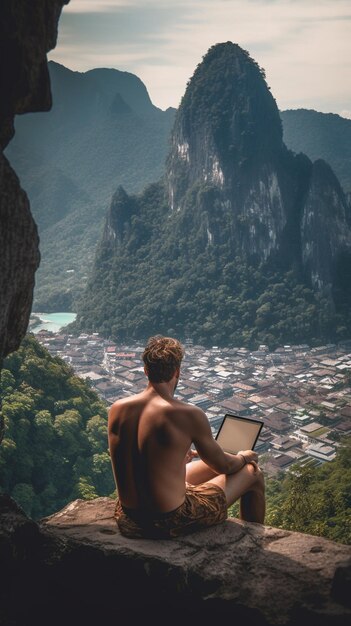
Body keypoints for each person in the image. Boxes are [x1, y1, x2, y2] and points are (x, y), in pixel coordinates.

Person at [108, 335, 265, 539]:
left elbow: (140, 456)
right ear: (177, 371)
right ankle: (253, 542)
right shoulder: (187, 414)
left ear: (146, 370)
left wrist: (175, 456)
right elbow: (224, 467)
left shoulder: (117, 408)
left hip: (127, 516)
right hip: (168, 520)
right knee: (253, 473)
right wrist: (244, 457)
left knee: (198, 466)